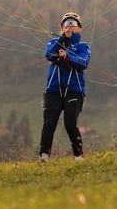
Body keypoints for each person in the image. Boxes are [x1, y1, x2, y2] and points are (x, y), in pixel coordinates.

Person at [38, 11, 90, 162]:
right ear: (62, 27)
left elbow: (83, 62)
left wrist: (68, 56)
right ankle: (44, 155)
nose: (70, 27)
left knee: (70, 123)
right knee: (49, 123)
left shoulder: (83, 46)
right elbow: (49, 54)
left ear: (79, 28)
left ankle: (78, 156)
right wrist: (62, 40)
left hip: (74, 91)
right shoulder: (53, 43)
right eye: (67, 24)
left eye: (73, 24)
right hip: (53, 90)